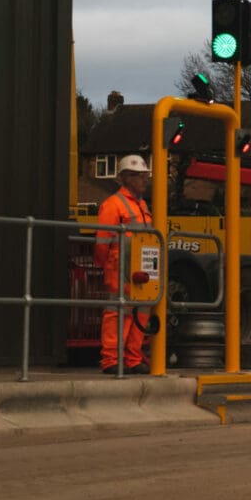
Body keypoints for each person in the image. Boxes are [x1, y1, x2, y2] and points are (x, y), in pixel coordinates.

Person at [95, 153, 154, 374]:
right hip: (120, 268)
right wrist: (103, 264)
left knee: (140, 313)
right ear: (126, 178)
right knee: (119, 312)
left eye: (144, 176)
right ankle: (111, 360)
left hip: (142, 268)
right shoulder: (113, 205)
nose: (144, 180)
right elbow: (103, 240)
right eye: (138, 176)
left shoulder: (142, 205)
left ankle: (132, 358)